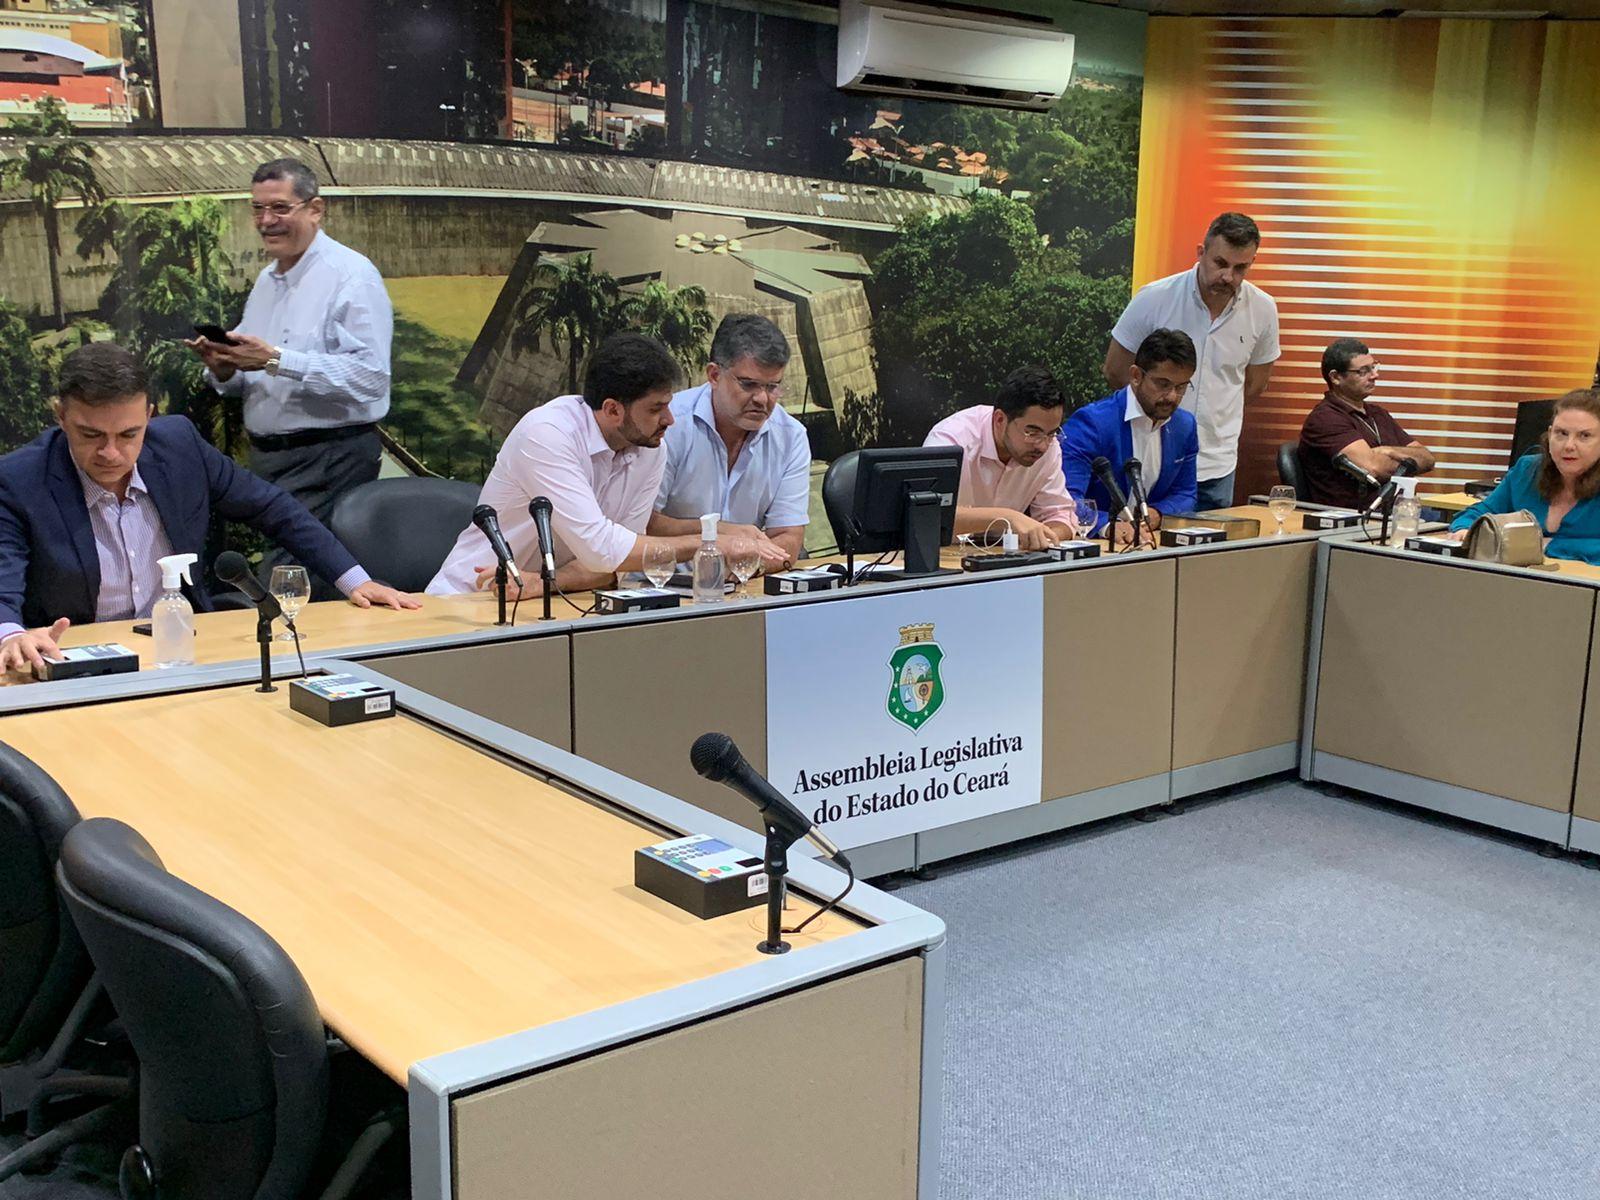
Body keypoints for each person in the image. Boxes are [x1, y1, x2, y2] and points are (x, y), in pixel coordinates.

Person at [0, 343, 417, 673]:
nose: (110, 453)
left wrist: (355, 581)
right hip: (75, 659)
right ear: (61, 416)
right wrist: (10, 635)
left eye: (128, 434)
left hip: (182, 650)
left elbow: (273, 508)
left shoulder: (179, 446)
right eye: (91, 435)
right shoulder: (20, 480)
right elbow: (3, 580)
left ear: (149, 416)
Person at [187, 156, 393, 589]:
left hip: (326, 459)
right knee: (302, 582)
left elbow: (371, 378)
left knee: (289, 582)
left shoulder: (351, 277)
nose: (266, 221)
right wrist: (225, 369)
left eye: (280, 208)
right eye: (258, 209)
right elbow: (255, 373)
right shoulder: (268, 280)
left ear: (315, 209)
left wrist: (275, 360)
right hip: (270, 461)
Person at [429, 332, 710, 596]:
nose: (669, 420)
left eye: (668, 405)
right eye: (656, 409)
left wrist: (543, 583)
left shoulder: (651, 450)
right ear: (613, 409)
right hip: (469, 598)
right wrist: (706, 543)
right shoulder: (548, 433)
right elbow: (602, 549)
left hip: (551, 602)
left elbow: (620, 563)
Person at [1103, 212, 1279, 510]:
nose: (1228, 277)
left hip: (1217, 464)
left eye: (1240, 268)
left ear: (1252, 263)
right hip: (1150, 457)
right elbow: (1115, 371)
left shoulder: (1263, 309)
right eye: (1220, 263)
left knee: (1213, 542)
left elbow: (1255, 385)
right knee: (1145, 537)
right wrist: (1154, 418)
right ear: (1201, 253)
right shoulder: (1154, 297)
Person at [649, 314, 806, 569]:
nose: (762, 399)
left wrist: (744, 569)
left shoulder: (791, 436)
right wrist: (718, 532)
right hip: (663, 583)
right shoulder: (669, 424)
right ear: (714, 375)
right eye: (749, 384)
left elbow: (788, 537)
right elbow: (643, 524)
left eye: (772, 387)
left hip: (744, 583)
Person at [1062, 329, 1200, 545]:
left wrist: (1158, 513)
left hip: (1149, 543)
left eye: (1181, 387)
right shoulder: (1092, 423)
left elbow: (1186, 493)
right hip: (1097, 546)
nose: (1172, 396)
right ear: (1136, 376)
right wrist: (1108, 525)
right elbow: (1066, 498)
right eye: (1163, 384)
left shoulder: (1184, 425)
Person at [922, 366, 1076, 550]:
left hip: (1008, 558)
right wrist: (1007, 518)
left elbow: (1060, 514)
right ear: (1000, 420)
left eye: (1051, 433)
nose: (1042, 445)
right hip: (943, 557)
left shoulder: (1050, 446)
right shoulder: (951, 440)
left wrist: (1045, 536)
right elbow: (927, 515)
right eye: (1032, 432)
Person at [1447, 389, 1600, 565]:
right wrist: (1465, 530)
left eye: (1584, 436)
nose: (1569, 445)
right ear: (1550, 434)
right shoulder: (1528, 470)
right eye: (1561, 433)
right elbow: (1479, 513)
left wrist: (1549, 545)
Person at [1297, 338, 1437, 508]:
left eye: (1373, 367)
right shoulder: (1325, 419)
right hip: (1357, 518)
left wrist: (1388, 451)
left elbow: (1427, 458)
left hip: (1399, 511)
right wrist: (1403, 460)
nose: (1374, 375)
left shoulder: (1378, 414)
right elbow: (1373, 468)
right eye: (1363, 371)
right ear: (1336, 377)